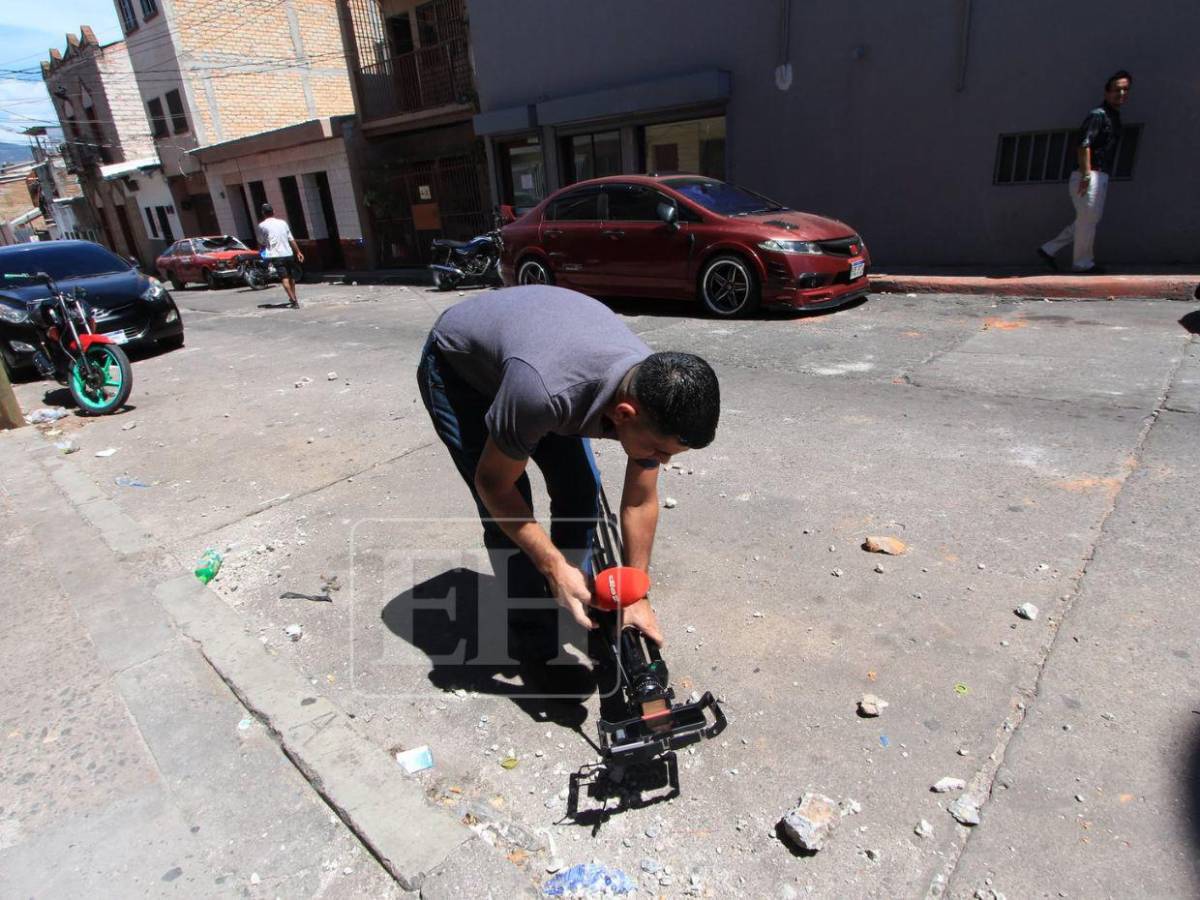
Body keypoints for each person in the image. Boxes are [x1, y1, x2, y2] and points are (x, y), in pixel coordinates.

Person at [417, 284, 720, 650]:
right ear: (624, 413)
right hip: (460, 367)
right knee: (510, 511)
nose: (662, 462)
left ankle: (578, 596)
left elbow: (639, 502)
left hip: (541, 353)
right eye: (659, 450)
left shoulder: (654, 389)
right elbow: (494, 485)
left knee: (579, 488)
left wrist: (636, 593)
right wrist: (551, 565)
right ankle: (535, 635)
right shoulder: (544, 394)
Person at [1038, 70, 1132, 275]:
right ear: (1107, 92)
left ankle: (1049, 249)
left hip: (1100, 175)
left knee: (1087, 220)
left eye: (1125, 90)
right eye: (1117, 90)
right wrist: (1086, 175)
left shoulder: (1113, 116)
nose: (1122, 94)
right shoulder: (1098, 115)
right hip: (1090, 175)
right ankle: (1082, 264)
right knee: (1088, 221)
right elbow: (1083, 144)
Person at [256, 203, 304, 307]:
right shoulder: (283, 223)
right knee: (291, 277)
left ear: (263, 214)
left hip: (276, 255)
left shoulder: (262, 226)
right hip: (288, 253)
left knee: (284, 277)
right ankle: (294, 297)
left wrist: (262, 248)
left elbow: (261, 241)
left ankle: (293, 300)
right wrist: (298, 252)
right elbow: (291, 238)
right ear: (273, 212)